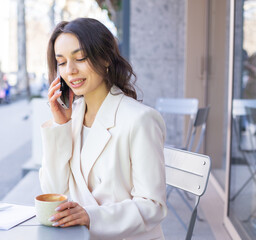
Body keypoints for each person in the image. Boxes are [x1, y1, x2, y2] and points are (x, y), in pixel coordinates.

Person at [39, 18, 167, 240]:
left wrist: (91, 217)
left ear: (106, 58)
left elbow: (153, 206)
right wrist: (61, 125)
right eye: (61, 62)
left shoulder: (140, 119)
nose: (70, 71)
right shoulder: (74, 115)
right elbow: (54, 191)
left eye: (80, 58)